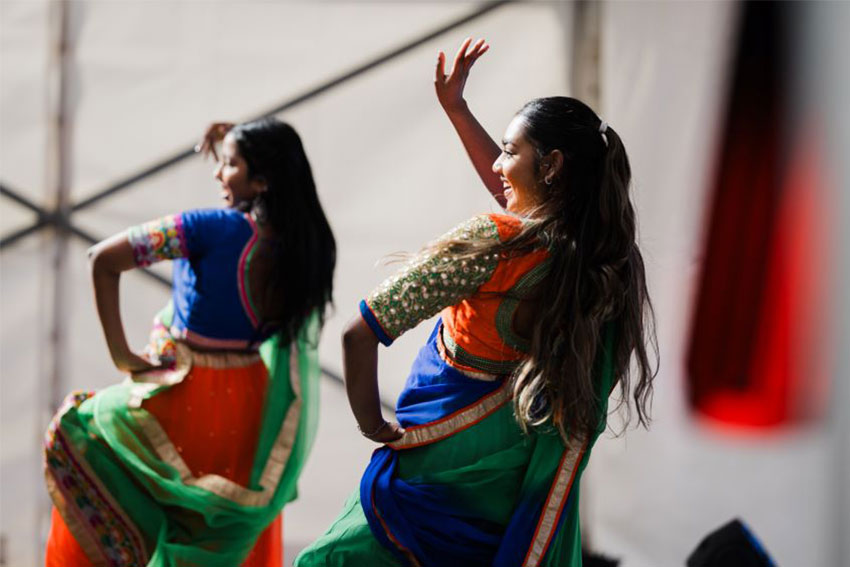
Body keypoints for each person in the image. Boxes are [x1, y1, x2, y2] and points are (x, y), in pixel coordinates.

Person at [295, 38, 656, 567]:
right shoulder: (601, 262)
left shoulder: (496, 243)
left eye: (511, 152)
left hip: (427, 477)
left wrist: (375, 427)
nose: (498, 167)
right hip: (501, 493)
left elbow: (358, 333)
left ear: (551, 165)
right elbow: (522, 210)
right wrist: (458, 111)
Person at [43, 117, 336, 566]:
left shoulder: (206, 228)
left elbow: (102, 260)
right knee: (213, 527)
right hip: (251, 408)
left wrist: (122, 355)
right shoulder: (305, 248)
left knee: (75, 436)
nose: (219, 172)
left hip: (187, 399)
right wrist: (233, 142)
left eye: (230, 165)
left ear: (260, 180)